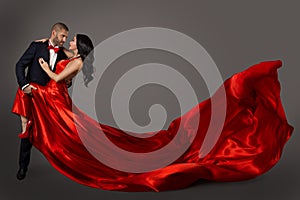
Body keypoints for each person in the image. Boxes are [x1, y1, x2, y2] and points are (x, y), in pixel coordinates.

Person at [13, 33, 293, 191]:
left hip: (53, 99)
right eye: (67, 40)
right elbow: (56, 57)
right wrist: (44, 46)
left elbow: (58, 79)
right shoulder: (68, 56)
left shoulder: (75, 61)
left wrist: (42, 75)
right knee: (60, 134)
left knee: (77, 140)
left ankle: (239, 92)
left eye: (71, 40)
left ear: (79, 47)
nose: (68, 42)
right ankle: (26, 154)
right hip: (51, 99)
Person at [12, 22, 71, 180]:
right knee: (28, 130)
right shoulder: (37, 47)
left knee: (57, 130)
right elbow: (19, 65)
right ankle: (23, 167)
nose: (65, 39)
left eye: (66, 36)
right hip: (32, 95)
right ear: (54, 33)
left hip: (50, 98)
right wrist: (24, 85)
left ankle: (67, 166)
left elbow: (65, 76)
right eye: (63, 36)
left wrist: (66, 81)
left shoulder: (63, 53)